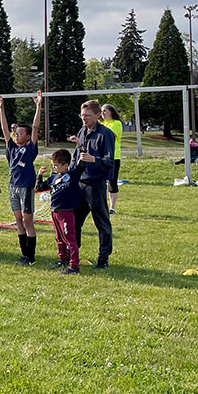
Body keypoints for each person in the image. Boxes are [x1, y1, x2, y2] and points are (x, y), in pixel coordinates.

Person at [0, 90, 42, 265]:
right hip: (13, 187)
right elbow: (4, 129)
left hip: (26, 187)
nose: (17, 135)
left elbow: (36, 127)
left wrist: (38, 106)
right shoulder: (12, 148)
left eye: (21, 133)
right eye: (16, 133)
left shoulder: (30, 149)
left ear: (28, 136)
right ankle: (24, 255)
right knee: (18, 220)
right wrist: (1, 109)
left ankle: (31, 256)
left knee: (27, 220)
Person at [70, 100, 115, 268]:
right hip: (79, 183)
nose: (84, 119)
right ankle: (73, 255)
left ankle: (103, 259)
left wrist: (94, 159)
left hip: (95, 184)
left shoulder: (106, 134)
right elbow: (77, 156)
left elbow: (110, 162)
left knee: (102, 223)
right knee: (74, 222)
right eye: (82, 116)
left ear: (98, 115)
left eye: (87, 116)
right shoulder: (82, 131)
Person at [41, 149, 83, 273]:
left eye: (56, 165)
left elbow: (82, 164)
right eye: (52, 165)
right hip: (55, 211)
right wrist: (40, 175)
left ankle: (74, 266)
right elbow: (39, 187)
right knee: (59, 238)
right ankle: (62, 259)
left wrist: (80, 146)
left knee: (70, 239)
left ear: (65, 165)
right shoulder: (53, 178)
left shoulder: (73, 175)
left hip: (67, 212)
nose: (53, 167)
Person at [100, 103, 124, 213]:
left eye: (105, 111)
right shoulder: (100, 124)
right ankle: (101, 205)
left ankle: (112, 207)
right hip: (100, 156)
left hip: (113, 157)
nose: (103, 113)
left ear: (111, 112)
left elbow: (108, 136)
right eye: (102, 111)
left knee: (112, 182)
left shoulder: (116, 123)